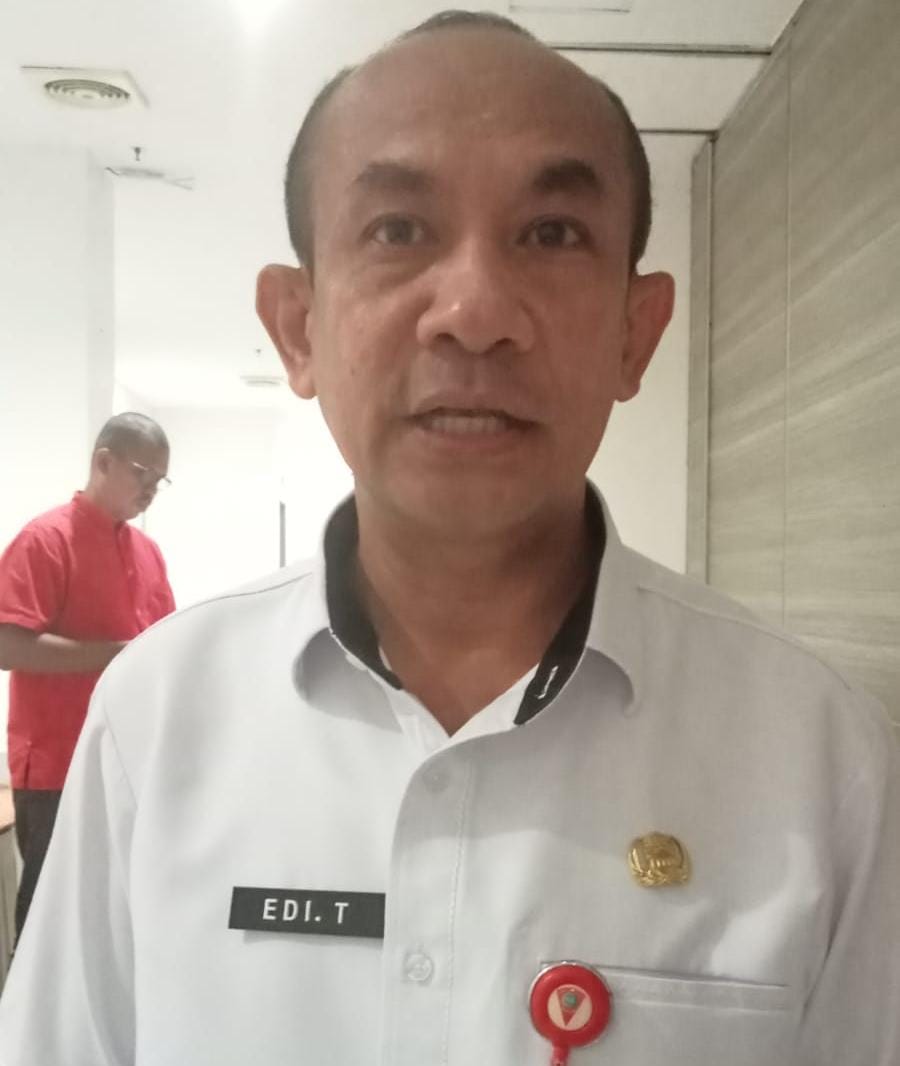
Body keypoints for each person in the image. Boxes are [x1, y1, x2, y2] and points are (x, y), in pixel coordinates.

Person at [1, 12, 897, 1065]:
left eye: (551, 233)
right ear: (298, 328)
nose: (473, 311)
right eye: (397, 230)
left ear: (636, 331)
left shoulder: (815, 757)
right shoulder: (157, 721)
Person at [0, 412, 175, 938]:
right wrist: (116, 654)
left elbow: (161, 645)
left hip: (130, 761)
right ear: (103, 462)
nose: (151, 490)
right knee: (51, 917)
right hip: (57, 765)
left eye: (160, 480)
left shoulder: (148, 552)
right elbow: (7, 644)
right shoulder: (44, 540)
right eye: (143, 474)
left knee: (116, 912)